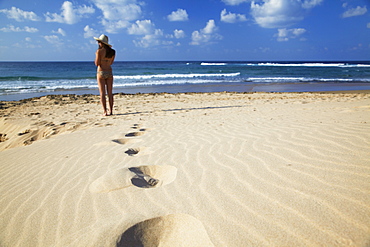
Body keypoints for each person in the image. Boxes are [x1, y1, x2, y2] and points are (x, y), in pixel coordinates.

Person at [94, 34, 116, 116]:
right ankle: (111, 111)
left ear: (101, 43)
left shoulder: (99, 51)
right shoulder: (113, 52)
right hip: (109, 71)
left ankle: (105, 112)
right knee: (110, 93)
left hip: (101, 72)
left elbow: (97, 63)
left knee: (102, 93)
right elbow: (111, 62)